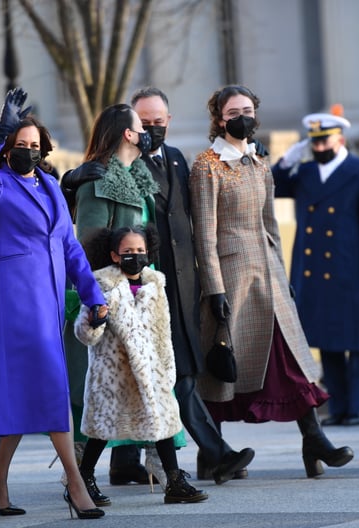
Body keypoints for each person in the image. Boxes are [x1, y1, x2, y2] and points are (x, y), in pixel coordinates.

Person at [189, 85, 354, 479]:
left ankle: (313, 439)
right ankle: (212, 453)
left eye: (247, 110)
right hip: (232, 280)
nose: (241, 117)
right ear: (219, 118)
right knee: (225, 368)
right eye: (233, 112)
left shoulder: (261, 163)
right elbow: (204, 235)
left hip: (270, 278)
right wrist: (214, 289)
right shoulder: (206, 165)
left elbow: (270, 225)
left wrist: (283, 273)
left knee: (290, 360)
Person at [0, 88, 106, 519]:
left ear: (44, 148)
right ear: (7, 151)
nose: (28, 151)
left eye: (33, 145)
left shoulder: (51, 186)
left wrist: (92, 294)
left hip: (50, 298)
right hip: (15, 298)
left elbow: (69, 246)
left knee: (33, 388)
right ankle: (76, 485)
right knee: (50, 384)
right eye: (19, 145)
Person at [130, 87, 254, 483]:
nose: (153, 129)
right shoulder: (124, 166)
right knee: (178, 375)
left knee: (173, 372)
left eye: (159, 122)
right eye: (145, 123)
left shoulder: (178, 160)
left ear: (169, 121)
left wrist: (252, 152)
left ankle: (122, 463)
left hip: (184, 287)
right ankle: (216, 452)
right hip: (148, 288)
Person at [61, 103, 161, 487]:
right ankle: (79, 474)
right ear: (127, 133)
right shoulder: (98, 180)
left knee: (141, 382)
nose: (147, 131)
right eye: (140, 126)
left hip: (139, 297)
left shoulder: (137, 176)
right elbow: (87, 246)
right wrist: (106, 295)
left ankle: (143, 464)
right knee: (95, 389)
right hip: (109, 299)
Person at [75, 225, 208, 505]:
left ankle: (173, 481)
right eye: (127, 252)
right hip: (113, 375)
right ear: (114, 255)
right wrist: (95, 319)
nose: (134, 256)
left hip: (152, 369)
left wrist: (165, 370)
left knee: (161, 424)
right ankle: (82, 480)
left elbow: (163, 331)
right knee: (102, 428)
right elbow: (85, 334)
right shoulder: (100, 284)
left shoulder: (155, 285)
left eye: (139, 251)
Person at [272, 109, 359, 426]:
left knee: (358, 343)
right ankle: (339, 408)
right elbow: (273, 186)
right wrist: (286, 161)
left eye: (325, 143)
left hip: (352, 271)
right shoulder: (306, 173)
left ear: (340, 140)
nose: (319, 149)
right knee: (329, 343)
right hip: (314, 273)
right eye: (315, 144)